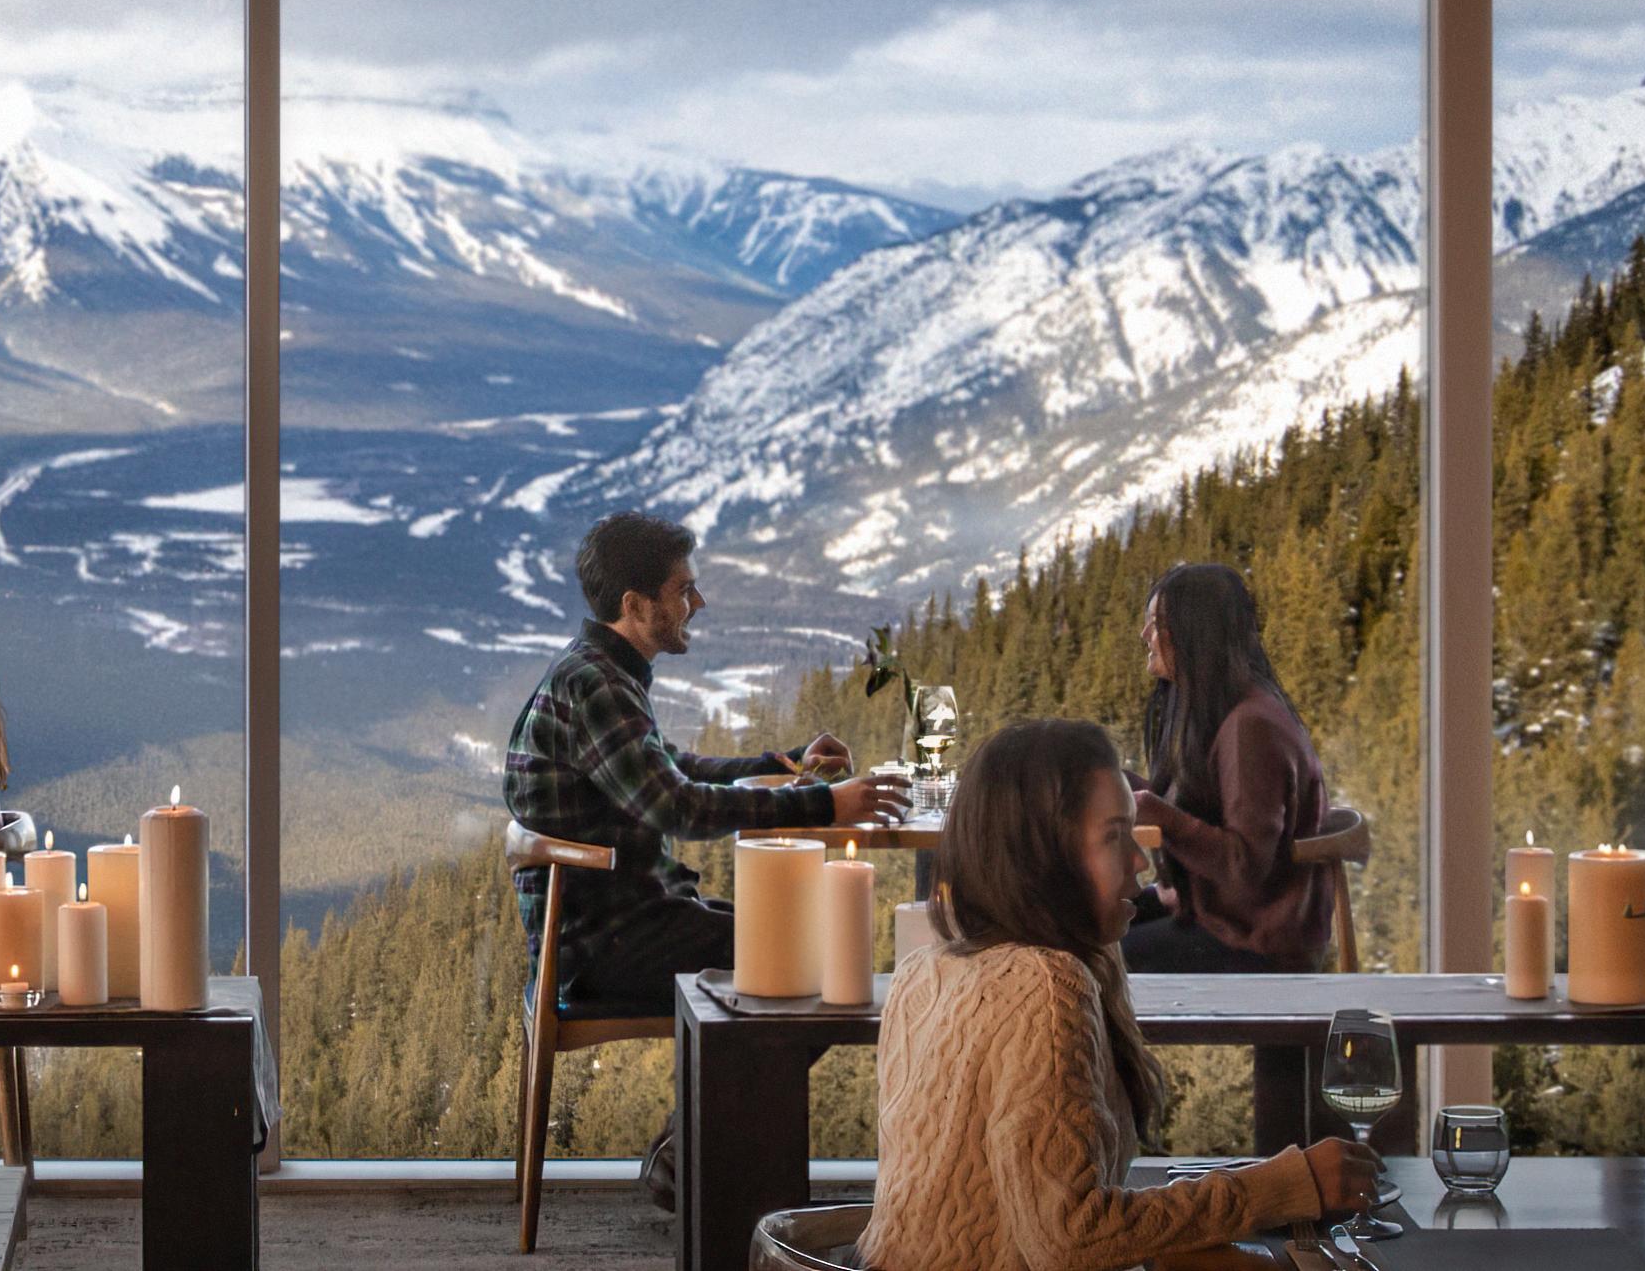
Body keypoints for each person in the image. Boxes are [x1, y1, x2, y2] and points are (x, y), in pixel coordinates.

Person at [869, 719, 1374, 1271]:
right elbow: (1072, 1239)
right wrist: (1285, 1186)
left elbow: (1018, 1223)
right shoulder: (1044, 984)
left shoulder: (922, 974)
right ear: (1043, 854)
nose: (1141, 861)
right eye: (1114, 836)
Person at [504, 513, 889, 1215]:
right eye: (684, 589)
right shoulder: (597, 685)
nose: (697, 603)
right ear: (635, 604)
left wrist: (784, 767)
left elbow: (672, 768)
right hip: (605, 944)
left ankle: (692, 1159)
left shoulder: (599, 675)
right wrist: (823, 806)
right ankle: (700, 1166)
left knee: (807, 960)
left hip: (622, 925)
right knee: (821, 968)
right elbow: (677, 807)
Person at [1121, 564, 1333, 975]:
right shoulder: (1240, 710)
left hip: (1259, 937)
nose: (1145, 636)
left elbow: (1246, 867)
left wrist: (1160, 813)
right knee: (1088, 924)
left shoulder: (1250, 726)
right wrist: (1136, 791)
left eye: (1156, 625)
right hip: (1234, 916)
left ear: (1194, 633)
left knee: (1094, 958)